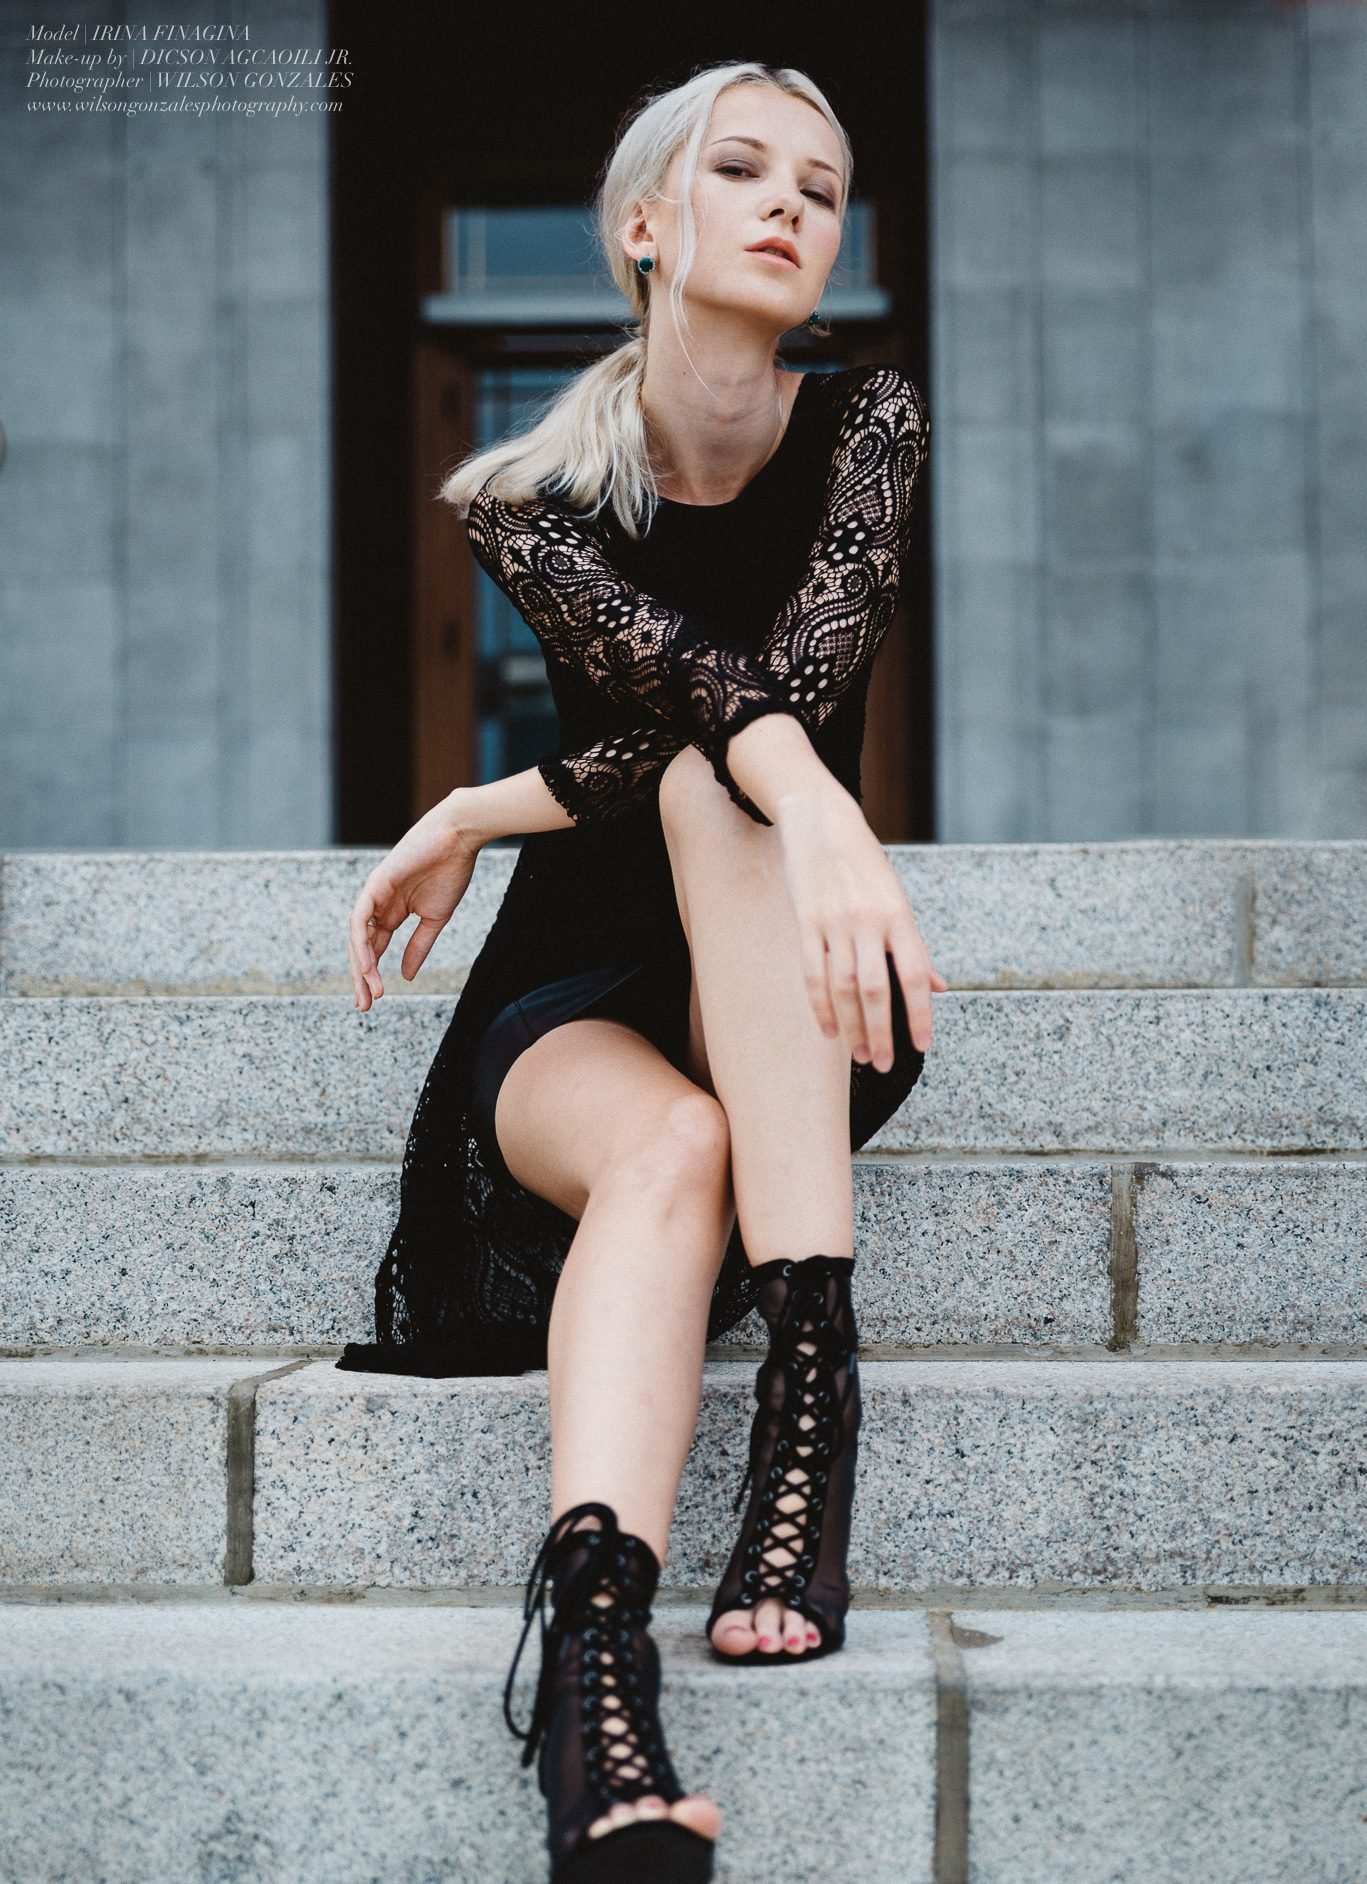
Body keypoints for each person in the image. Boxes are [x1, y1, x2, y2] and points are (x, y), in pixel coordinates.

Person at [339, 57, 944, 1884]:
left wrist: (485, 797)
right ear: (645, 226)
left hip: (776, 979)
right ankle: (598, 1663)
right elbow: (696, 688)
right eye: (743, 169)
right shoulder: (526, 494)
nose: (790, 206)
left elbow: (789, 686)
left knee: (723, 789)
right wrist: (815, 802)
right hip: (579, 993)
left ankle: (811, 1389)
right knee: (676, 1113)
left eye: (821, 187)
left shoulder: (869, 420)